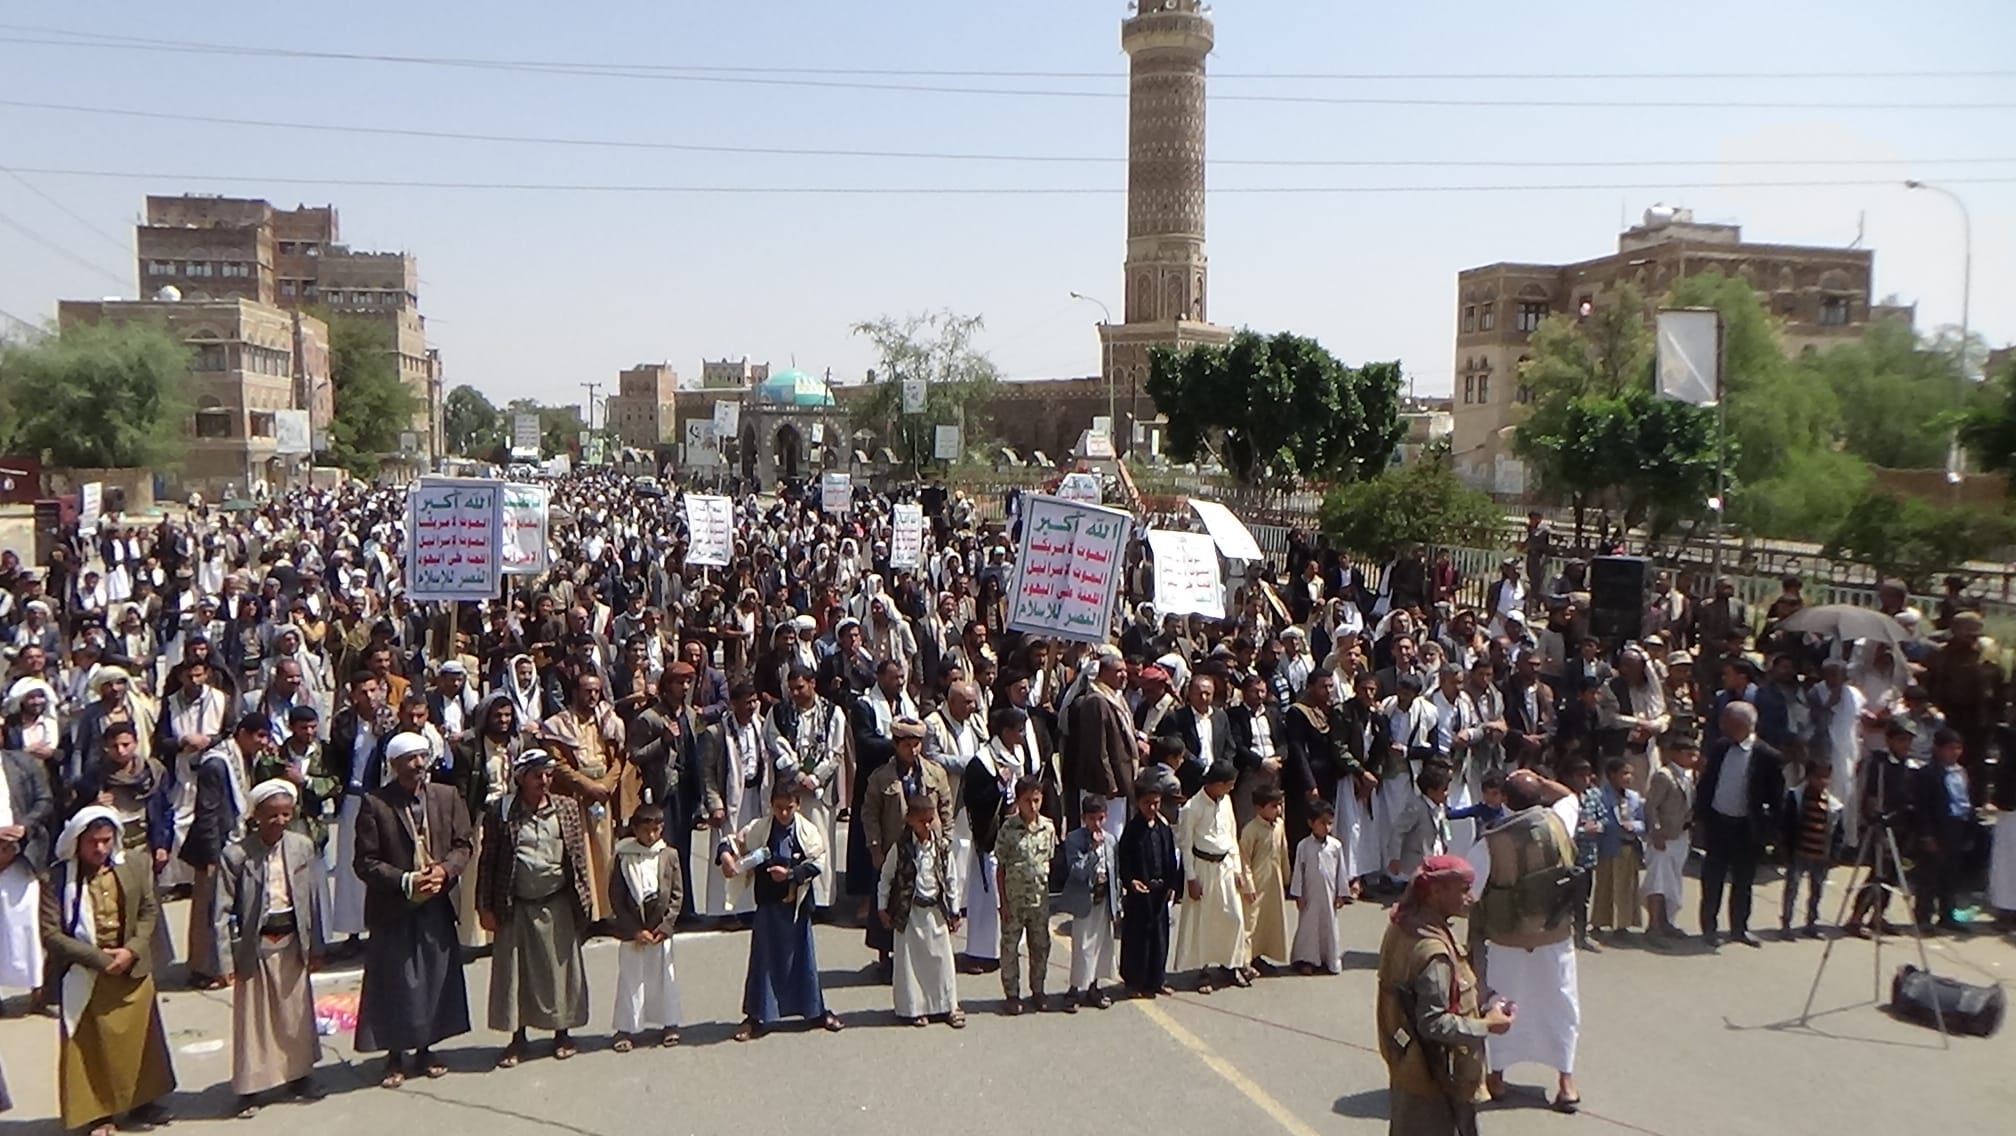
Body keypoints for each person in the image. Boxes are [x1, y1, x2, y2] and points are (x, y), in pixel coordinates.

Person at [42, 807, 176, 1136]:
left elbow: (149, 911)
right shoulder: (56, 879)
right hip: (85, 973)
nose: (100, 849)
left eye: (106, 840)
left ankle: (143, 1101)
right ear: (77, 842)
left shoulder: (135, 865)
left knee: (140, 1043)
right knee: (89, 1049)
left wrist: (131, 950)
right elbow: (51, 934)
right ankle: (99, 1114)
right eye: (93, 842)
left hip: (131, 968)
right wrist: (100, 959)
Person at [353, 731, 474, 1088]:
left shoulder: (447, 796)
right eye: (410, 759)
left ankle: (426, 1048)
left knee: (434, 976)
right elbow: (365, 862)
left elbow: (463, 844)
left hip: (436, 901)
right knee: (395, 980)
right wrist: (406, 881)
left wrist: (444, 871)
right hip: (394, 905)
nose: (418, 765)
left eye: (422, 757)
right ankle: (394, 1055)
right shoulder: (375, 803)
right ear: (393, 764)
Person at [1376, 854, 1514, 1136]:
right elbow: (1434, 1023)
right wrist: (1488, 1025)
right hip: (1434, 1079)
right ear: (1436, 891)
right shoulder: (1433, 953)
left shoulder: (1404, 925)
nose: (1471, 898)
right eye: (1463, 890)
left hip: (1408, 1068)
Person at [1472, 769, 1582, 1113]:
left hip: (1508, 937)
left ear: (1505, 800)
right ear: (1539, 798)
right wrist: (1540, 780)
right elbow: (1569, 796)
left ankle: (1497, 1077)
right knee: (1560, 1004)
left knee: (1502, 1003)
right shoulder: (1559, 823)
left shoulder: (1490, 841)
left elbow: (1470, 890)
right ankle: (1566, 1082)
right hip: (1555, 934)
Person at [217, 780, 328, 1116]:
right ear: (256, 816)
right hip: (256, 947)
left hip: (292, 941)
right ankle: (251, 1088)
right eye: (272, 815)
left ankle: (299, 1075)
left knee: (295, 1015)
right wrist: (226, 961)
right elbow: (221, 912)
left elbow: (311, 900)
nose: (279, 821)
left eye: (285, 814)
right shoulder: (237, 855)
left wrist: (317, 946)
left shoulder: (301, 847)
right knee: (255, 1023)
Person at [477, 748, 592, 1067]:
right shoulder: (501, 812)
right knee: (516, 975)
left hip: (557, 903)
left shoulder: (566, 808)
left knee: (560, 972)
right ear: (521, 778)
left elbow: (577, 858)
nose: (544, 781)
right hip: (515, 905)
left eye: (548, 774)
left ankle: (562, 1033)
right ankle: (518, 1039)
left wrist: (584, 902)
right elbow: (488, 861)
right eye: (537, 775)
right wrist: (485, 906)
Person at [720, 782, 844, 1040]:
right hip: (768, 905)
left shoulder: (808, 832)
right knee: (763, 960)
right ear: (771, 806)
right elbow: (730, 841)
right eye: (778, 808)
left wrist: (790, 874)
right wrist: (726, 858)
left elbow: (818, 863)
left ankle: (815, 1011)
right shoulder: (759, 828)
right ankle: (757, 1016)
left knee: (803, 959)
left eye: (789, 808)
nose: (784, 813)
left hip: (797, 906)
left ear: (797, 805)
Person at [182, 713, 272, 988]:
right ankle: (203, 969)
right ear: (242, 734)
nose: (263, 742)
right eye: (259, 736)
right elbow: (207, 813)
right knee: (209, 910)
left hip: (236, 841)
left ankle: (228, 964)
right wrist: (211, 856)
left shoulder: (246, 757)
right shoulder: (216, 764)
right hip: (215, 846)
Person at [861, 718, 951, 976]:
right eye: (907, 745)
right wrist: (875, 847)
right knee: (889, 901)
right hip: (894, 848)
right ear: (896, 745)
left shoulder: (935, 773)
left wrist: (945, 840)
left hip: (926, 847)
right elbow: (870, 814)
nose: (913, 750)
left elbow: (946, 808)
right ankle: (885, 958)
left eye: (917, 744)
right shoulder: (881, 777)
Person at [1694, 702, 1784, 949]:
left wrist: (1771, 832)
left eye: (1727, 721)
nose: (1722, 725)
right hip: (1718, 823)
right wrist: (1700, 814)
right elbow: (1707, 782)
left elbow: (1776, 798)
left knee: (1743, 881)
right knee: (1712, 879)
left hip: (1746, 828)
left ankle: (1739, 928)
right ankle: (1709, 927)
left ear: (1741, 725)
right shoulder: (1720, 747)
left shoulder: (1767, 756)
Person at [877, 794, 966, 1027]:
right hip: (909, 913)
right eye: (921, 821)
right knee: (910, 963)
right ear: (910, 820)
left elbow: (951, 880)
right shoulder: (900, 848)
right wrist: (882, 907)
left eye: (930, 820)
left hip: (935, 912)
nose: (927, 826)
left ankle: (948, 1006)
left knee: (942, 960)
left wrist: (954, 910)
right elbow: (886, 878)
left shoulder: (942, 848)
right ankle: (915, 1009)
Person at [608, 803, 684, 1051]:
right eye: (645, 830)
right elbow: (617, 898)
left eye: (655, 830)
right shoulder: (623, 856)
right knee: (631, 980)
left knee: (665, 978)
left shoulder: (669, 855)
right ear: (634, 829)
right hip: (634, 932)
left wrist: (665, 926)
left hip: (659, 930)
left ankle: (669, 1024)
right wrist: (634, 930)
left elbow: (676, 895)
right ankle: (626, 1028)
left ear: (662, 828)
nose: (651, 836)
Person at [1172, 760, 1252, 994]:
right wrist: (1191, 878)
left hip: (1225, 866)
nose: (1231, 788)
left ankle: (1231, 964)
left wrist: (1237, 869)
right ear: (1216, 783)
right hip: (1202, 868)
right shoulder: (1192, 808)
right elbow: (1186, 845)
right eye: (1228, 784)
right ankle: (1203, 970)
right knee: (1203, 922)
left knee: (1233, 917)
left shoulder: (1226, 800)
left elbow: (1232, 834)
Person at [994, 775, 1057, 1015]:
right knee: (1010, 948)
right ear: (1018, 801)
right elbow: (1000, 868)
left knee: (1040, 947)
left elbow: (1048, 861)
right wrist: (1003, 902)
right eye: (1027, 801)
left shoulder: (1048, 828)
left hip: (1039, 901)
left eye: (1036, 800)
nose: (1032, 806)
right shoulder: (1008, 829)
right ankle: (1012, 994)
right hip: (1014, 900)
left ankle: (1038, 990)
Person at [1117, 774, 1179, 999]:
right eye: (1147, 803)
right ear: (1138, 803)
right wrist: (1131, 881)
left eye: (1156, 803)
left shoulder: (1163, 828)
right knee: (1138, 940)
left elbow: (1170, 857)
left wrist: (1171, 884)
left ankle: (1157, 979)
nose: (1152, 808)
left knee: (1160, 938)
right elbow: (1123, 861)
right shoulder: (1132, 831)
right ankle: (1135, 982)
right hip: (1139, 895)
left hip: (1159, 893)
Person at [1056, 793, 1121, 1011]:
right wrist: (1092, 851)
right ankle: (1074, 989)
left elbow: (1115, 871)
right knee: (1082, 946)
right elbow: (1077, 871)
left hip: (1104, 899)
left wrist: (1117, 903)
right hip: (1085, 900)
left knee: (1102, 945)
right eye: (1092, 819)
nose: (1097, 824)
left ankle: (1094, 986)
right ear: (1084, 818)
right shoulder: (1075, 839)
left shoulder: (1110, 840)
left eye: (1101, 818)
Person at [0, 744, 52, 1010]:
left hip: (22, 855)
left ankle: (38, 994)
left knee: (28, 925)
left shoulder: (22, 763)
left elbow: (44, 800)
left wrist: (24, 827)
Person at [1914, 729, 1975, 932]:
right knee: (1930, 875)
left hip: (1957, 825)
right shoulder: (1928, 774)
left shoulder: (1961, 772)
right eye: (1950, 748)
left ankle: (1947, 914)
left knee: (1951, 873)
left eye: (1958, 748)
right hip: (1937, 827)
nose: (1955, 753)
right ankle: (1924, 917)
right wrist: (1926, 834)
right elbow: (1922, 807)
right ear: (1938, 749)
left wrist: (1970, 829)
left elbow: (1966, 800)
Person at [1641, 734, 1700, 941]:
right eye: (1688, 754)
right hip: (1663, 839)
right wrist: (1656, 832)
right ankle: (1653, 927)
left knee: (1672, 884)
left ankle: (1667, 923)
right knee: (1658, 882)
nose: (1693, 758)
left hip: (1681, 836)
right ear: (1676, 754)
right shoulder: (1664, 776)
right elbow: (1651, 807)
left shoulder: (1690, 776)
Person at [1779, 759, 1841, 940]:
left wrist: (1834, 855)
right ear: (1808, 777)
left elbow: (1838, 833)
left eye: (1826, 777)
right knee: (1792, 889)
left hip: (1820, 854)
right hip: (1799, 852)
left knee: (1817, 891)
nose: (1822, 781)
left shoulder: (1833, 805)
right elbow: (1787, 825)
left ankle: (1811, 923)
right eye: (1818, 777)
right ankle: (1786, 923)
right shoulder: (1797, 797)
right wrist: (1785, 848)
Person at [1289, 800, 1350, 975]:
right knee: (1309, 927)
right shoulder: (1304, 846)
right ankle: (1307, 960)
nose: (1326, 827)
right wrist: (1298, 894)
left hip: (1329, 895)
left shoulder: (1335, 846)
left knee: (1328, 926)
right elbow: (1298, 872)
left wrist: (1341, 893)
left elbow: (1341, 871)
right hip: (1310, 895)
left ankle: (1329, 960)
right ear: (1311, 823)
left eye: (1329, 823)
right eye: (1322, 823)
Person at [1239, 784, 1291, 974]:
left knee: (1267, 921)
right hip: (1255, 885)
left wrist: (1287, 877)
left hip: (1273, 883)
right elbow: (1244, 860)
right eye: (1273, 806)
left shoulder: (1279, 825)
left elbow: (1283, 851)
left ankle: (1257, 956)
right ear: (1259, 808)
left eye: (1279, 805)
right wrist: (1248, 885)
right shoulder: (1251, 830)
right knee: (1251, 922)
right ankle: (1243, 961)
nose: (1278, 809)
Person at [1590, 758, 1644, 939]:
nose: (1629, 778)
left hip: (1628, 847)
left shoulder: (1634, 797)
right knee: (1605, 885)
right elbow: (1595, 818)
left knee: (1626, 887)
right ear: (1612, 775)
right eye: (1624, 773)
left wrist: (1634, 826)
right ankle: (1598, 923)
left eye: (1630, 774)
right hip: (1608, 846)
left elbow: (1643, 822)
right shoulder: (1600, 795)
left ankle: (1622, 925)